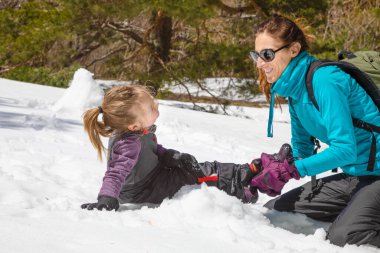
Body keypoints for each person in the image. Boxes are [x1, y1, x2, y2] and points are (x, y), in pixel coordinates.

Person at [248, 15, 380, 247]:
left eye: (267, 55)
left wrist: (293, 170)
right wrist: (275, 166)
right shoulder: (296, 91)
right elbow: (303, 150)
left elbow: (345, 150)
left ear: (293, 50)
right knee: (276, 212)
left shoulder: (325, 80)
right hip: (356, 176)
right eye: (256, 55)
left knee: (345, 236)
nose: (260, 63)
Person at [80, 85, 289, 211]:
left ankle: (249, 171)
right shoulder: (127, 144)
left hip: (154, 175)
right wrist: (107, 198)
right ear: (133, 125)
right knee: (198, 176)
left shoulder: (141, 131)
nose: (157, 106)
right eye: (152, 107)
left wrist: (170, 156)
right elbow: (115, 172)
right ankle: (244, 189)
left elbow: (153, 150)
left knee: (202, 167)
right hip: (145, 190)